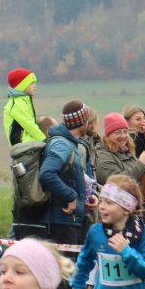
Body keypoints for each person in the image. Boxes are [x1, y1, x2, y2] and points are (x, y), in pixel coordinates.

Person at [38, 102, 96, 246]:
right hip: (61, 222)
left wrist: (87, 197)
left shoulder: (69, 143)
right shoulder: (62, 145)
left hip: (68, 220)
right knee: (65, 260)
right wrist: (70, 196)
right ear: (82, 122)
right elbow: (47, 173)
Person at [3, 68, 45, 147]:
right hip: (23, 147)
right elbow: (29, 125)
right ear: (22, 86)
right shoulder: (17, 103)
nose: (35, 86)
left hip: (29, 145)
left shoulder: (23, 101)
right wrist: (45, 140)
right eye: (31, 83)